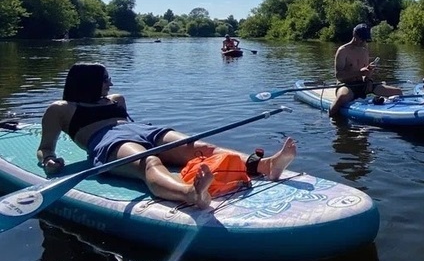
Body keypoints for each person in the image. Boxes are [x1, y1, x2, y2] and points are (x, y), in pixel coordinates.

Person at [36, 63, 297, 209]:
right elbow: (45, 147)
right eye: (105, 79)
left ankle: (265, 165)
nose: (110, 84)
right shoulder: (61, 109)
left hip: (145, 130)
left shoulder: (116, 99)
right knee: (149, 162)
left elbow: (130, 122)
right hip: (107, 141)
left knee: (201, 146)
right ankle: (190, 193)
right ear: (88, 81)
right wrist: (49, 159)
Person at [329, 24, 401, 118]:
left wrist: (369, 77)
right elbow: (339, 76)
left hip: (363, 84)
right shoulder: (343, 51)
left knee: (397, 92)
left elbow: (366, 73)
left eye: (365, 39)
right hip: (347, 85)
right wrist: (360, 72)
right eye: (361, 39)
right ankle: (330, 117)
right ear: (354, 35)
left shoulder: (364, 50)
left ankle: (397, 114)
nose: (363, 42)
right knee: (342, 97)